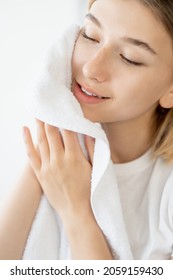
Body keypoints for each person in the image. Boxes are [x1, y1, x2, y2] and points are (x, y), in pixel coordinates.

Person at [0, 0, 173, 260]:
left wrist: (77, 213)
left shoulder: (165, 190)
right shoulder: (55, 152)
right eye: (90, 35)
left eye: (129, 58)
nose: (91, 68)